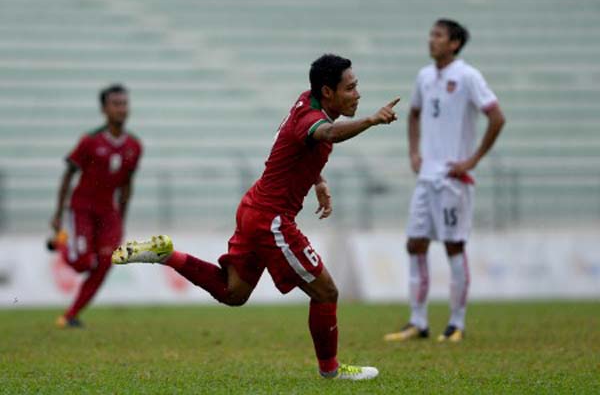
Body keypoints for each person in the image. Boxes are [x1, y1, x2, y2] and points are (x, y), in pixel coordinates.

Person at [112, 54, 399, 380]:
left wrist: (317, 180)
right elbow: (326, 134)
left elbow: (295, 147)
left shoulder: (307, 101)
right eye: (351, 88)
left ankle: (167, 255)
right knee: (326, 292)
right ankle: (331, 371)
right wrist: (373, 121)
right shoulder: (313, 119)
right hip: (271, 220)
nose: (358, 94)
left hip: (254, 206)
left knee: (233, 293)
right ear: (328, 91)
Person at [384, 19, 505, 343]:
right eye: (431, 34)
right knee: (415, 243)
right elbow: (413, 114)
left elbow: (497, 116)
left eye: (438, 35)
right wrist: (413, 153)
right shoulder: (425, 76)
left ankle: (456, 323)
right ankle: (418, 322)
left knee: (453, 245)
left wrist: (473, 159)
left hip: (455, 177)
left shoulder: (468, 76)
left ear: (454, 43)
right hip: (427, 176)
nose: (431, 40)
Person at [49, 84, 142, 328]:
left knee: (105, 263)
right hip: (82, 208)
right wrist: (59, 214)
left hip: (108, 213)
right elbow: (69, 174)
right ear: (104, 109)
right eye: (116, 104)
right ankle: (61, 241)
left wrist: (121, 222)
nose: (122, 109)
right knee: (82, 264)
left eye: (124, 104)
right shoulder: (90, 141)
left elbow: (126, 186)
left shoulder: (134, 146)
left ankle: (70, 315)